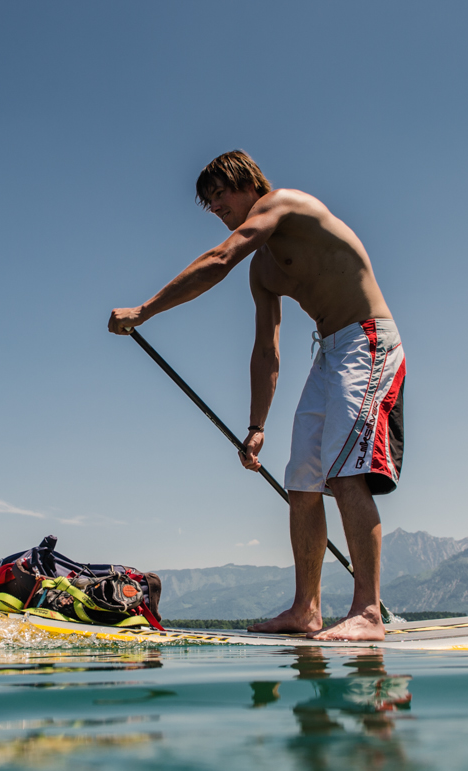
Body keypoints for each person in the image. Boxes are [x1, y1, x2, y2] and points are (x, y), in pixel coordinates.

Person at [108, 150, 404, 641]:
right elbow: (266, 349)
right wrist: (256, 427)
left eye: (220, 194)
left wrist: (144, 310)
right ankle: (305, 610)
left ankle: (368, 612)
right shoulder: (262, 270)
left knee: (346, 471)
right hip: (327, 354)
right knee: (302, 483)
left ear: (247, 183)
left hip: (367, 340)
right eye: (207, 202)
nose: (214, 207)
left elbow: (220, 258)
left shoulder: (285, 204)